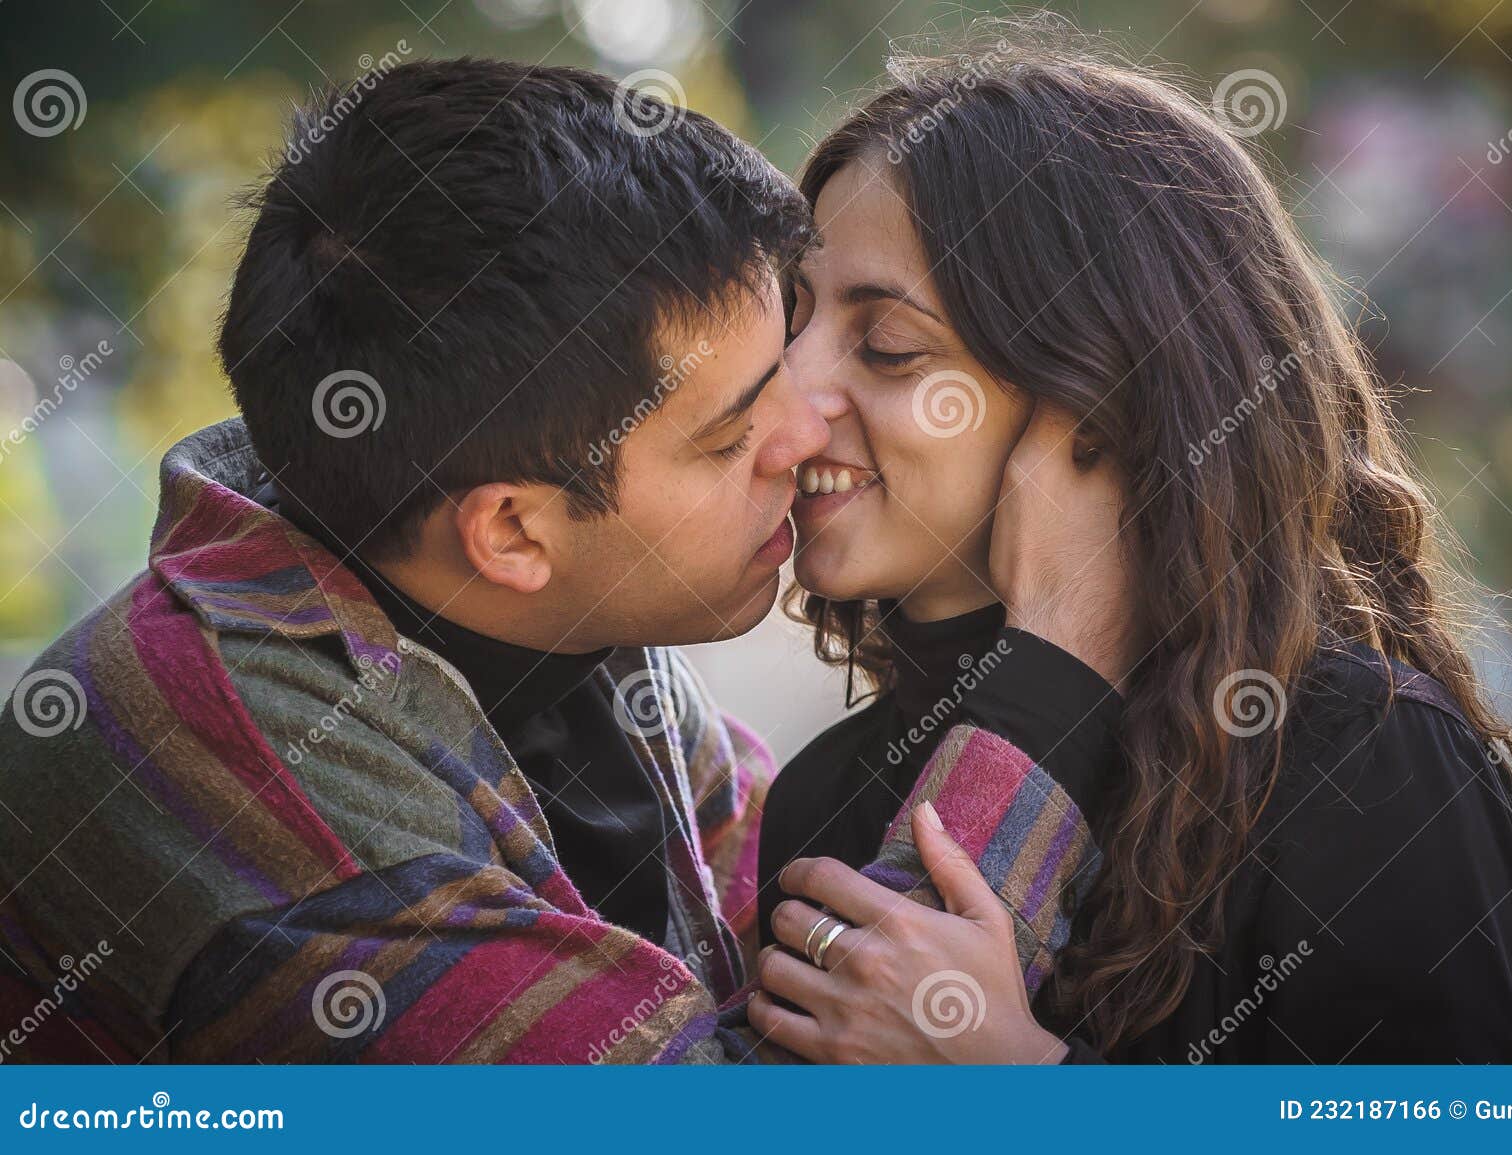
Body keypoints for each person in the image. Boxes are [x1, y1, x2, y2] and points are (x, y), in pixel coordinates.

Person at [0, 59, 1093, 1064]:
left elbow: (794, 945)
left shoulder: (539, 610)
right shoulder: (245, 780)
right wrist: (1059, 660)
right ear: (512, 533)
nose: (807, 433)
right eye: (729, 435)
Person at [749, 34, 1512, 1063]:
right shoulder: (820, 797)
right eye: (785, 326)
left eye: (888, 348)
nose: (785, 401)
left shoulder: (1358, 761)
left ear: (1099, 399)